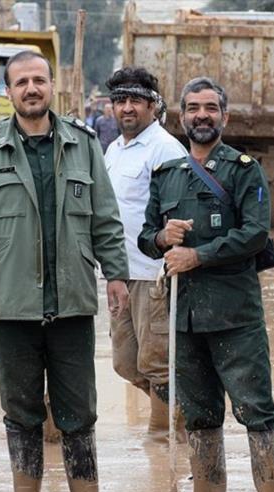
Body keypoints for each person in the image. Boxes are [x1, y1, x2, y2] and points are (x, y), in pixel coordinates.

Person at [0, 51, 129, 492]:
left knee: (79, 414)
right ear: (8, 92)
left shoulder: (83, 143)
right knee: (21, 414)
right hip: (12, 307)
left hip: (72, 304)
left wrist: (116, 275)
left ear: (52, 86)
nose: (31, 89)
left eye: (38, 80)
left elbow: (105, 220)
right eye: (21, 82)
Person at [138, 77, 274, 492]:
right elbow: (146, 237)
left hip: (236, 317)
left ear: (225, 117)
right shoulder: (166, 175)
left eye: (211, 108)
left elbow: (255, 234)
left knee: (257, 412)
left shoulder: (244, 170)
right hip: (184, 319)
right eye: (193, 108)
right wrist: (163, 237)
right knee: (199, 417)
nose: (202, 115)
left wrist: (197, 256)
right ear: (181, 118)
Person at [103, 67, 187, 439]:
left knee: (157, 363)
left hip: (154, 275)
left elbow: (180, 213)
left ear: (153, 106)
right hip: (119, 274)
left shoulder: (165, 149)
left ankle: (164, 437)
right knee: (125, 363)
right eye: (120, 101)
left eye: (135, 101)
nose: (127, 108)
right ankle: (181, 414)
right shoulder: (113, 150)